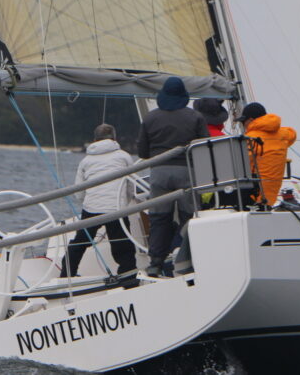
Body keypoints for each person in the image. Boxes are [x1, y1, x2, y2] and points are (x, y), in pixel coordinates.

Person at [136, 77, 208, 276]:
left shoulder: (150, 118)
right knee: (189, 217)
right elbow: (204, 148)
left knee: (159, 218)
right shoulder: (195, 117)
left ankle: (155, 263)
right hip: (187, 172)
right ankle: (190, 259)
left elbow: (142, 152)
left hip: (159, 173)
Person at [60, 124, 137, 278]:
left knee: (81, 241)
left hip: (91, 208)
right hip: (116, 208)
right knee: (122, 245)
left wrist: (89, 201)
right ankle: (128, 276)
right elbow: (131, 186)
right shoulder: (124, 156)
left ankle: (67, 275)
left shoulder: (86, 161)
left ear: (95, 139)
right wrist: (124, 202)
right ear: (114, 138)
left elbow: (79, 192)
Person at [238, 102, 297, 208]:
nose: (243, 125)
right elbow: (292, 134)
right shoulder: (284, 135)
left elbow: (240, 162)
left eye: (243, 122)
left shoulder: (249, 138)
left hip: (253, 195)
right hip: (270, 196)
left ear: (250, 120)